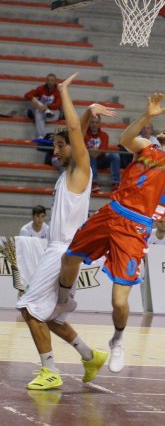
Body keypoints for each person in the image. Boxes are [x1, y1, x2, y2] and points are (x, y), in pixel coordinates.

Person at [56, 66, 165, 375]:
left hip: (135, 228)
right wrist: (146, 115)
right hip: (111, 212)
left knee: (119, 300)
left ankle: (118, 340)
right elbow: (124, 138)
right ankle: (63, 302)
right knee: (69, 258)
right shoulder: (147, 147)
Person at [17, 73, 117, 390]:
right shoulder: (67, 173)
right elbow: (78, 130)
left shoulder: (81, 168)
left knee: (28, 308)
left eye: (60, 146)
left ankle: (50, 371)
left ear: (73, 149)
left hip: (63, 251)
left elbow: (75, 132)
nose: (55, 151)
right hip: (62, 252)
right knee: (52, 317)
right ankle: (90, 356)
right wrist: (90, 113)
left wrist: (65, 93)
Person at [84, 114, 121, 192]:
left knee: (115, 156)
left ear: (99, 123)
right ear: (89, 123)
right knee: (91, 156)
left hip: (101, 160)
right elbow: (84, 149)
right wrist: (93, 151)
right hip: (88, 161)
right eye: (92, 122)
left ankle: (115, 183)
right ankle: (93, 183)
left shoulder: (104, 135)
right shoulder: (84, 135)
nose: (94, 124)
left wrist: (94, 151)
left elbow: (103, 149)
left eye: (97, 122)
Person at [24, 74, 62, 138]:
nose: (50, 82)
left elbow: (58, 105)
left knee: (38, 112)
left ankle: (29, 113)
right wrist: (32, 99)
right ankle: (41, 136)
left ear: (55, 81)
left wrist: (47, 106)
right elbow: (27, 95)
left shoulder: (59, 91)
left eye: (52, 81)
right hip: (41, 111)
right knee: (38, 110)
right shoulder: (41, 88)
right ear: (46, 81)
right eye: (48, 80)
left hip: (53, 112)